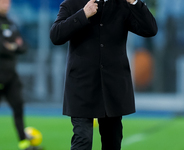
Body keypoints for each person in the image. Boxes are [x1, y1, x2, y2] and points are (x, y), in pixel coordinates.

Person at [50, 0, 157, 149]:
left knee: (112, 141)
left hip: (112, 86)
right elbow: (55, 36)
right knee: (83, 139)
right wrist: (83, 14)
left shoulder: (122, 5)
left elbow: (150, 30)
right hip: (82, 86)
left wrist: (134, 2)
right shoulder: (72, 3)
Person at [0, 0, 42, 150]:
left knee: (18, 107)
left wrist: (11, 45)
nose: (7, 5)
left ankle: (24, 144)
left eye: (8, 2)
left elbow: (24, 47)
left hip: (11, 76)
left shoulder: (11, 23)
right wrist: (13, 45)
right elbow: (3, 48)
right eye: (3, 2)